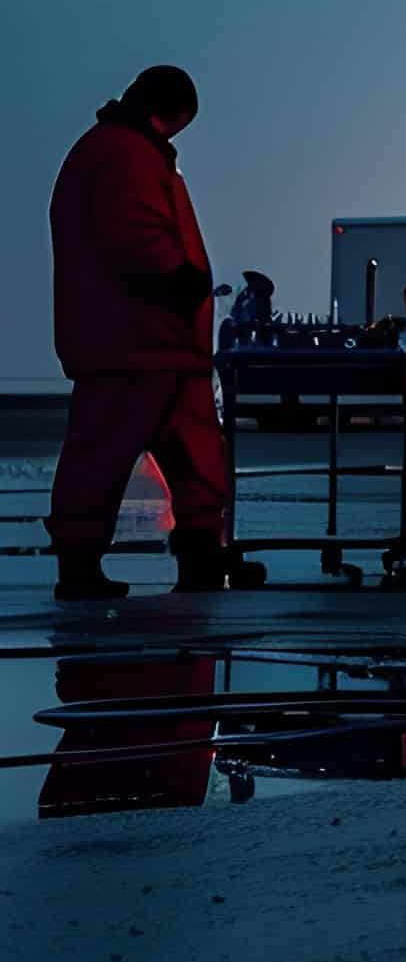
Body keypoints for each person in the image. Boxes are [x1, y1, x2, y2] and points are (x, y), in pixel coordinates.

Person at [46, 65, 265, 598]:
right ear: (167, 112)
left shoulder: (116, 150)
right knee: (112, 455)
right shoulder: (125, 155)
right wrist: (180, 278)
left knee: (182, 456)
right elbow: (134, 231)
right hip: (138, 341)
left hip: (153, 343)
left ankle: (194, 558)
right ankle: (100, 566)